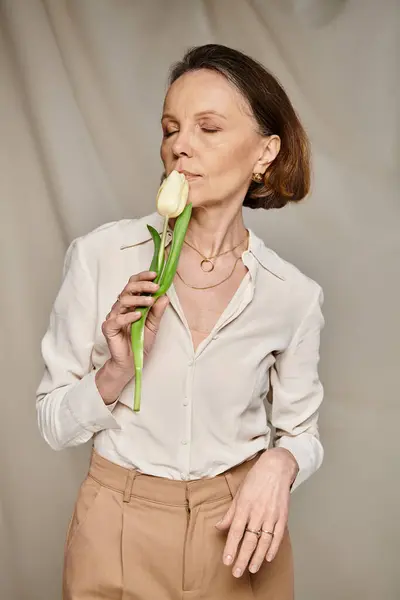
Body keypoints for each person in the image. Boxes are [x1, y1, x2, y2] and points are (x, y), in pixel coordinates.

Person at [36, 43, 325, 600]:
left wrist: (282, 460)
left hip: (240, 537)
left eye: (208, 128)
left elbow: (302, 432)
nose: (179, 147)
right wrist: (113, 373)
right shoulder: (102, 255)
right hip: (118, 527)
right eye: (170, 129)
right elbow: (53, 424)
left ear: (265, 152)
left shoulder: (292, 294)